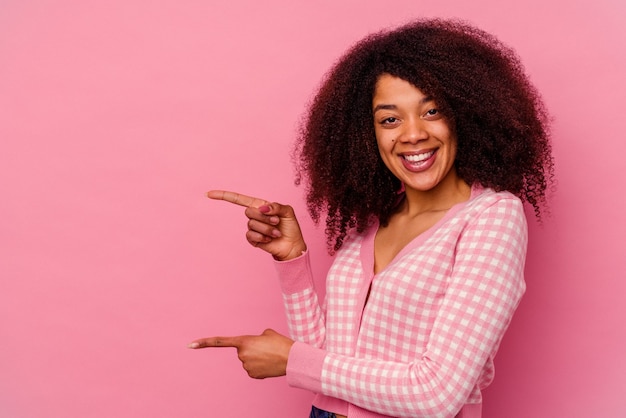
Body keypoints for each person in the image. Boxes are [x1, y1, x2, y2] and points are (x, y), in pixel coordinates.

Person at [188, 18, 554, 418]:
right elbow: (330, 359)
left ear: (464, 116)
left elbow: (436, 395)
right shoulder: (374, 221)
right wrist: (291, 258)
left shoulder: (491, 218)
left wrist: (292, 360)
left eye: (432, 111)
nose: (412, 134)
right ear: (368, 134)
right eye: (390, 119)